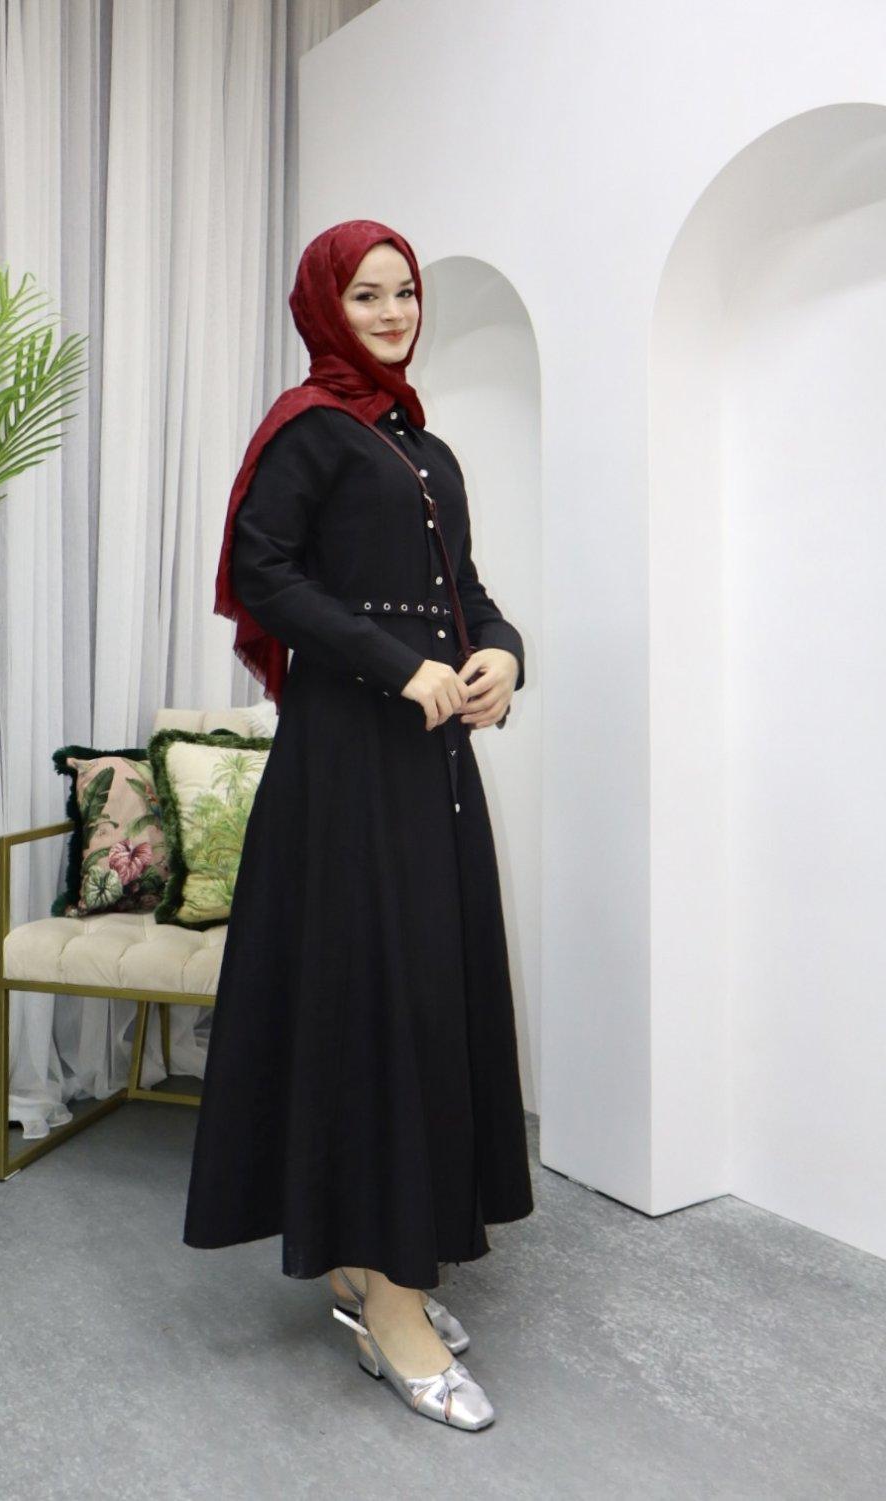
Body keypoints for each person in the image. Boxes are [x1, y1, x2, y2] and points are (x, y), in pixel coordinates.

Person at [183, 219, 534, 1431]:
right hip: (346, 770)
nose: (392, 313)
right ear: (325, 306)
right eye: (368, 295)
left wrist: (502, 657)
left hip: (430, 769)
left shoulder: (421, 446)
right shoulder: (307, 429)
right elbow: (263, 574)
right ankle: (391, 1306)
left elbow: (465, 595)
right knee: (382, 1009)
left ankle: (361, 1261)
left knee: (422, 1000)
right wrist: (396, 665)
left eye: (406, 292)